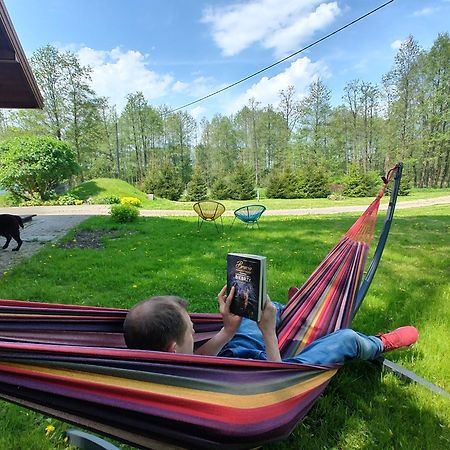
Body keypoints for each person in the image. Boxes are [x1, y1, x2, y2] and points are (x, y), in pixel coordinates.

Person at [123, 285, 419, 365]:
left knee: (262, 311)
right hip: (273, 366)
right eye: (191, 330)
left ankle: (292, 312)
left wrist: (227, 329)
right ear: (173, 349)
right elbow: (276, 383)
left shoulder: (165, 363)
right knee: (345, 339)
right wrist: (268, 334)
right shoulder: (198, 388)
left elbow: (195, 358)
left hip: (238, 349)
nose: (196, 331)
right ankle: (379, 343)